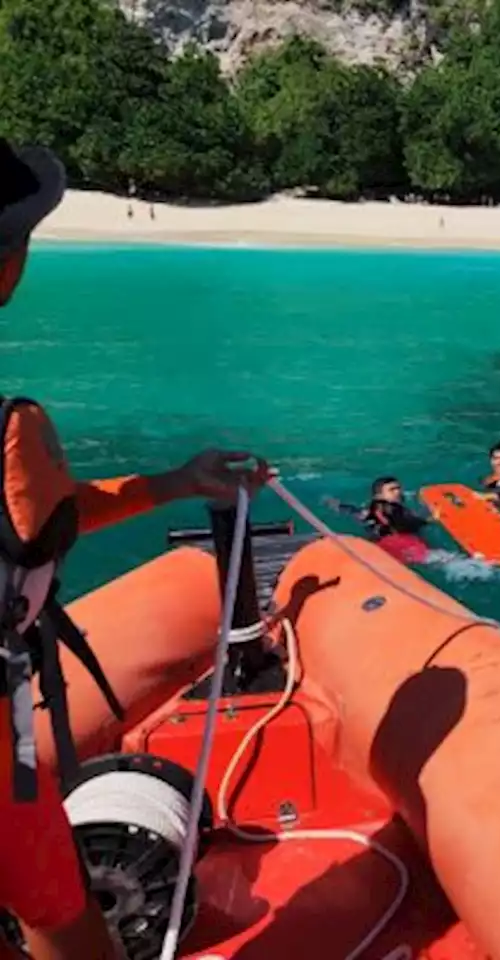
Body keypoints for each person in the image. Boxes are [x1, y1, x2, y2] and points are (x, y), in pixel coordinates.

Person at [1, 139, 271, 960]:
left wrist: (177, 480)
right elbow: (46, 520)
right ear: (7, 267)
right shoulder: (17, 433)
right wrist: (184, 481)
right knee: (64, 922)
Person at [323, 476, 430, 540]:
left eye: (398, 488)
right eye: (392, 490)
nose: (398, 492)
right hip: (393, 542)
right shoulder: (386, 507)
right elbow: (408, 522)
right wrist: (428, 516)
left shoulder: (370, 510)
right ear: (378, 496)